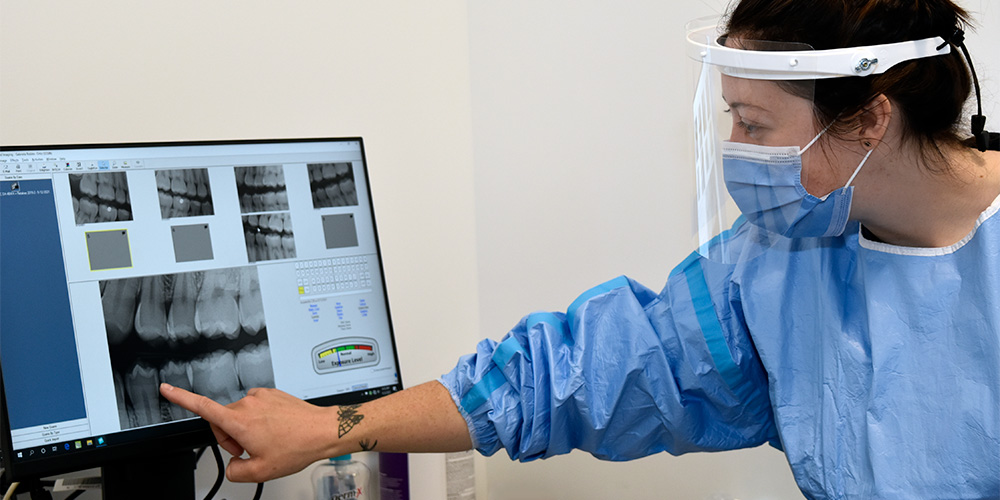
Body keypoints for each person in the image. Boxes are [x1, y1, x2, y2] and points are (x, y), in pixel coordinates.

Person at [161, 0, 1000, 497]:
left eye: (753, 126)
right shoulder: (776, 263)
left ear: (867, 119)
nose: (739, 152)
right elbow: (573, 374)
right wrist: (334, 428)